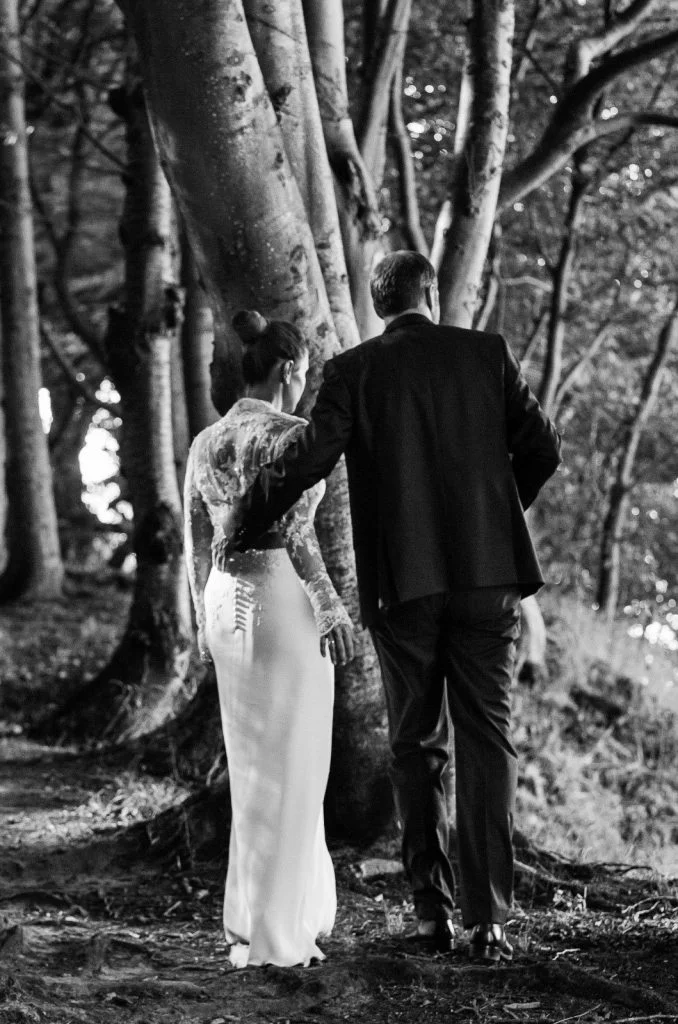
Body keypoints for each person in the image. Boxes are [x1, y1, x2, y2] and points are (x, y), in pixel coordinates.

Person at [228, 251, 562, 962]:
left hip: (401, 586)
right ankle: (489, 918)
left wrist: (247, 518)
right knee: (487, 740)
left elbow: (311, 456)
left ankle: (430, 913)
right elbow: (543, 447)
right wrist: (497, 517)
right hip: (486, 579)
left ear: (382, 308)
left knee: (416, 744)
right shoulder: (486, 353)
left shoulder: (354, 370)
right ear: (431, 294)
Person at [183, 310, 355, 969]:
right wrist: (331, 607)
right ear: (289, 370)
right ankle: (281, 933)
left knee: (254, 768)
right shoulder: (288, 435)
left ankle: (258, 915)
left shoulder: (206, 443)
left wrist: (203, 614)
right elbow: (297, 532)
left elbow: (201, 545)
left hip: (225, 603)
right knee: (297, 766)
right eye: (305, 368)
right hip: (283, 602)